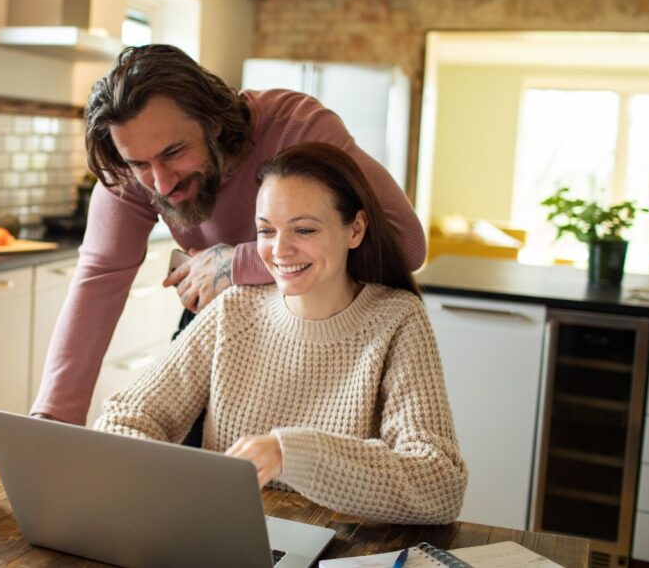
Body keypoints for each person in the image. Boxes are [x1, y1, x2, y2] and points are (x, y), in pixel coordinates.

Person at [32, 44, 427, 425]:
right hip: (221, 324)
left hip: (324, 329)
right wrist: (52, 418)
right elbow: (97, 282)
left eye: (174, 152)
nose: (161, 183)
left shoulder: (297, 127)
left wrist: (235, 263)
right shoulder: (134, 169)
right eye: (139, 164)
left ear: (214, 123)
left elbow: (405, 242)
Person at [94, 142, 467, 525]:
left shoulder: (397, 321)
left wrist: (289, 454)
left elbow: (440, 487)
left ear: (355, 230)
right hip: (226, 537)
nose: (280, 250)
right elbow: (125, 418)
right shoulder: (234, 309)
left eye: (304, 229)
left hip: (344, 551)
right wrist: (175, 484)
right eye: (266, 231)